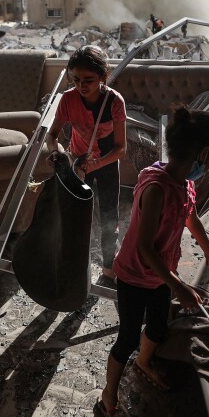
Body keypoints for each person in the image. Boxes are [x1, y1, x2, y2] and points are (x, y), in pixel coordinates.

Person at [95, 105, 209, 417]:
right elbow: (144, 249)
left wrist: (208, 247)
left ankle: (144, 362)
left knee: (156, 326)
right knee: (126, 337)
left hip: (160, 275)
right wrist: (179, 285)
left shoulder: (184, 182)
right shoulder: (156, 188)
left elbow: (189, 215)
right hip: (136, 275)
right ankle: (108, 398)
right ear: (204, 153)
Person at [47, 45, 127, 279]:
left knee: (109, 217)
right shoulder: (68, 100)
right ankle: (75, 269)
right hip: (78, 163)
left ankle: (109, 269)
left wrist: (98, 163)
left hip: (107, 163)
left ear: (103, 77)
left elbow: (121, 148)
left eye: (89, 80)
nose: (81, 86)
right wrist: (57, 153)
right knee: (75, 216)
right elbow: (52, 136)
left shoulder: (114, 102)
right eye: (76, 79)